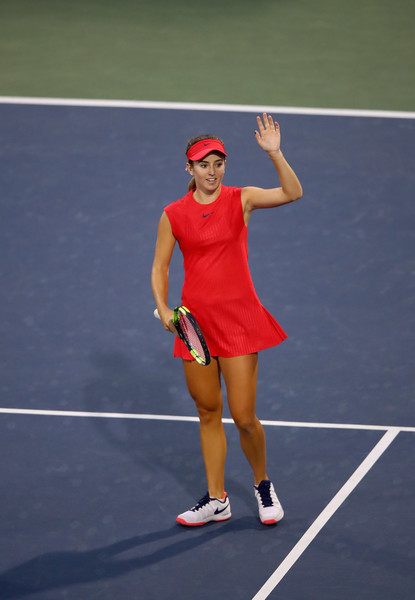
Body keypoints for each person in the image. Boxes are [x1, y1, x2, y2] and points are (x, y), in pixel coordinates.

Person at [151, 113, 303, 526]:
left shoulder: (242, 199)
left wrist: (275, 153)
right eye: (203, 164)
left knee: (245, 417)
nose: (212, 171)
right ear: (190, 168)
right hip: (195, 327)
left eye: (218, 163)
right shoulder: (173, 214)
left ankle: (262, 484)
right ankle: (217, 498)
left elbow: (293, 192)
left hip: (238, 323)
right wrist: (164, 308)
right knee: (207, 412)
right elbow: (160, 267)